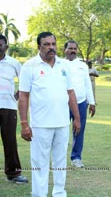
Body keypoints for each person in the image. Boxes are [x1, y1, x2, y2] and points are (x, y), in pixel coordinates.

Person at [18, 32, 80, 197]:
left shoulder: (63, 65)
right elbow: (23, 96)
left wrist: (77, 118)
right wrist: (24, 124)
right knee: (39, 163)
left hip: (62, 123)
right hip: (40, 125)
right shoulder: (29, 66)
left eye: (53, 44)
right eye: (47, 44)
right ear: (39, 47)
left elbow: (70, 92)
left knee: (60, 161)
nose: (51, 47)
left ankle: (59, 192)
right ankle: (39, 194)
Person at [0, 34, 28, 184]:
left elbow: (25, 81)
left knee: (10, 141)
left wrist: (19, 94)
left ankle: (14, 174)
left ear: (6, 46)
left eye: (1, 45)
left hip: (8, 107)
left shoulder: (13, 63)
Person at [64, 40, 96, 167]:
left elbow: (87, 84)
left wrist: (92, 102)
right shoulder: (59, 63)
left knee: (79, 130)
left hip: (81, 103)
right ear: (64, 49)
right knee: (61, 130)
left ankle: (76, 157)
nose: (72, 51)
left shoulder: (82, 65)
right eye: (70, 48)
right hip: (63, 103)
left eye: (74, 49)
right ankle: (60, 157)